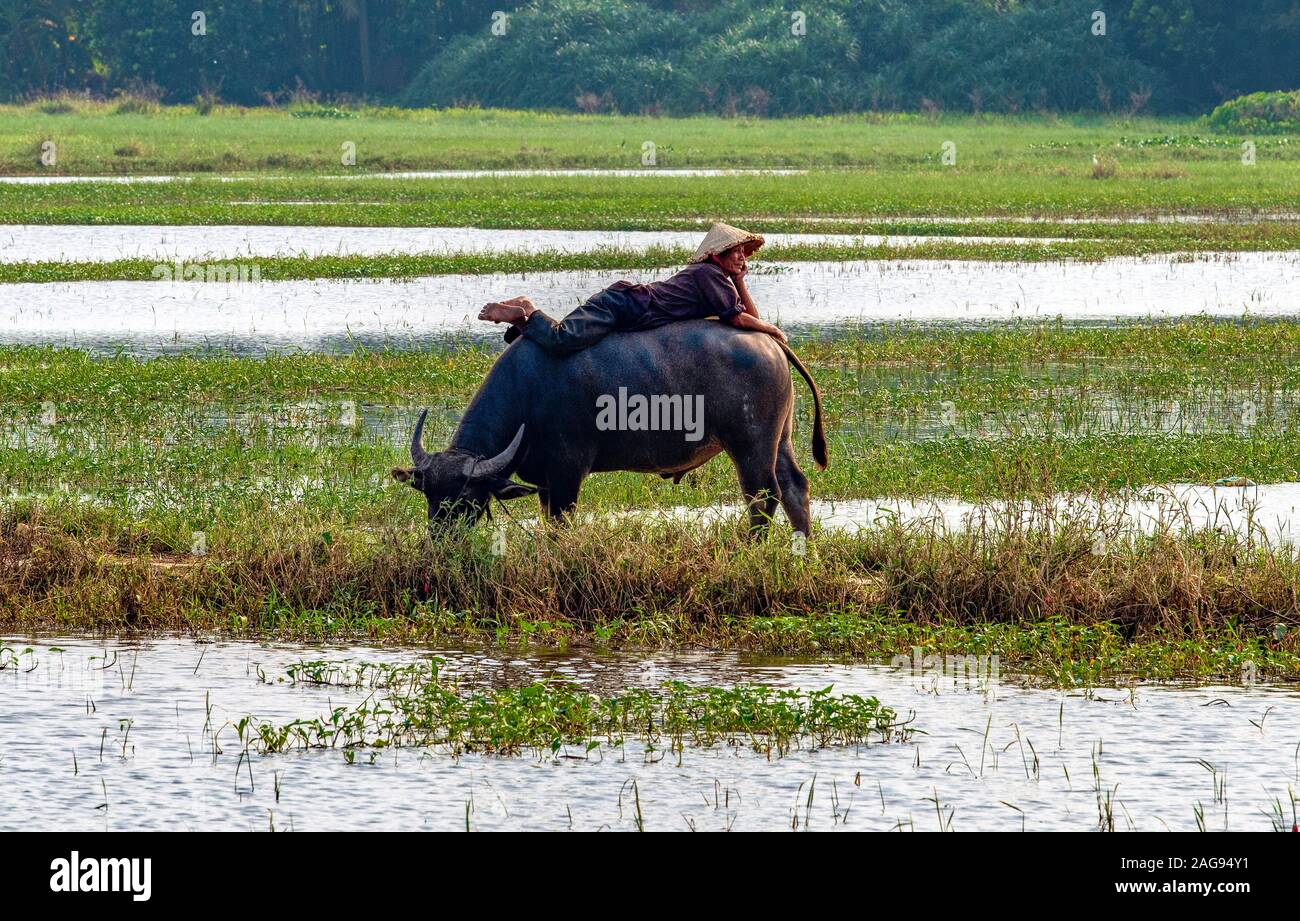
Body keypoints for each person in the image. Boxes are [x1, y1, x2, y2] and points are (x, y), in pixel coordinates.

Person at [477, 222, 787, 354]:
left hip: (630, 303)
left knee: (564, 332)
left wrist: (741, 281)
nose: (741, 257)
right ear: (717, 255)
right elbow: (738, 319)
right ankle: (523, 310)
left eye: (743, 253)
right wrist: (771, 329)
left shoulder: (718, 277)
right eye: (735, 252)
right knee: (563, 341)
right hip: (628, 305)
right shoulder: (708, 274)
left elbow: (747, 316)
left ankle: (527, 314)